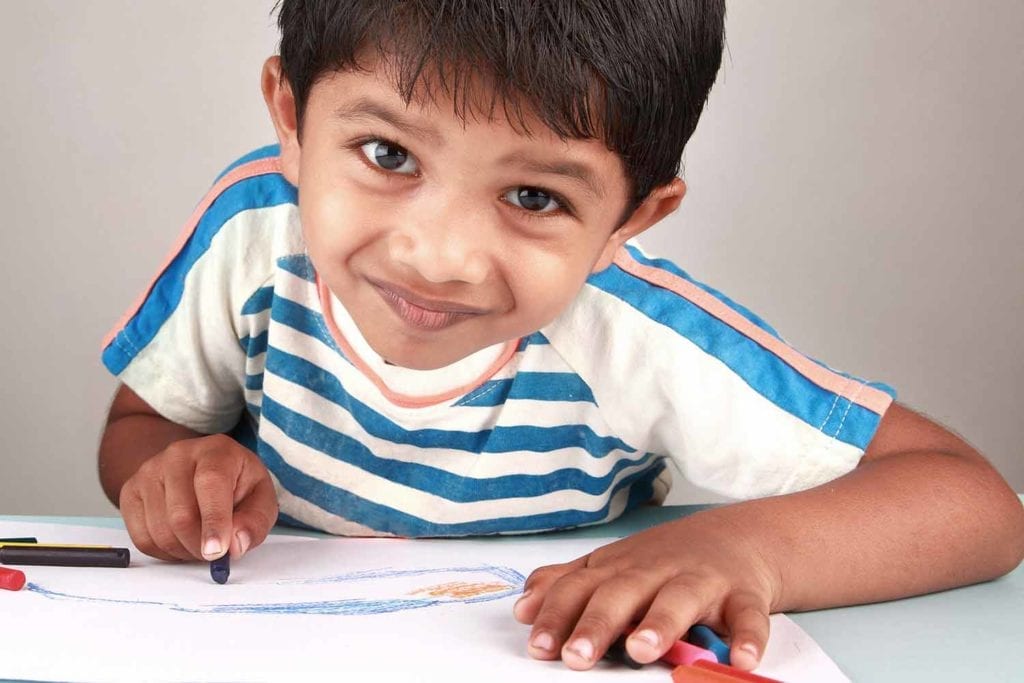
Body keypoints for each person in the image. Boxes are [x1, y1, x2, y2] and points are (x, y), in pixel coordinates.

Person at [96, 0, 1024, 672]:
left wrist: (749, 552)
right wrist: (175, 472)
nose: (440, 255)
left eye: (534, 197)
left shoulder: (632, 332)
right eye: (388, 155)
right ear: (292, 119)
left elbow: (973, 502)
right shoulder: (251, 235)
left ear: (633, 216)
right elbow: (142, 425)